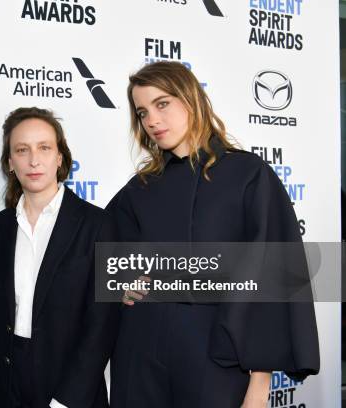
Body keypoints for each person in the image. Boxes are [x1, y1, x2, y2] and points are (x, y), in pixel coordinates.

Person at [107, 61, 320, 408]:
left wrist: (260, 383)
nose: (153, 121)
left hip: (215, 357)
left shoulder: (248, 175)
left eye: (163, 104)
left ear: (192, 100)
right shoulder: (140, 188)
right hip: (139, 354)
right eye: (142, 112)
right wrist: (119, 278)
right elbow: (101, 251)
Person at [0, 107, 119, 408]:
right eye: (22, 150)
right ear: (10, 163)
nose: (34, 160)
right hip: (1, 388)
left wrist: (68, 400)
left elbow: (102, 325)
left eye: (44, 148)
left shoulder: (99, 225)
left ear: (60, 157)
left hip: (71, 389)